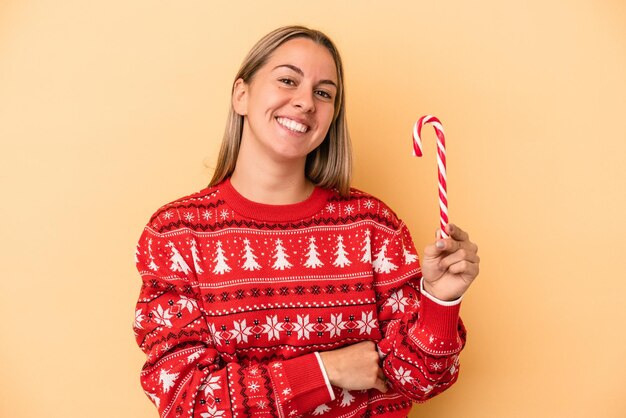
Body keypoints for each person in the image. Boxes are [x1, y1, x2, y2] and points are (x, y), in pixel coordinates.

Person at [133, 25, 479, 418]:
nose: (305, 102)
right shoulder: (176, 234)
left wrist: (440, 300)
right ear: (241, 95)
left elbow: (418, 379)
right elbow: (188, 402)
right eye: (287, 80)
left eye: (323, 92)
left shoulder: (373, 226)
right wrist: (327, 370)